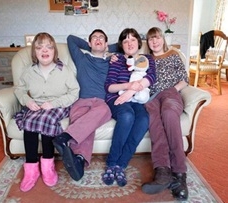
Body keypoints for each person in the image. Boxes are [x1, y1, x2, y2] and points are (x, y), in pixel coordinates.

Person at [14, 32, 80, 192]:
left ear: (54, 51)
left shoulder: (63, 70)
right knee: (29, 122)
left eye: (49, 47)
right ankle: (31, 169)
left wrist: (53, 103)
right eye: (39, 47)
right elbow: (19, 89)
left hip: (58, 105)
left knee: (45, 121)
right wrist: (27, 101)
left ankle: (48, 165)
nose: (44, 50)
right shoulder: (29, 71)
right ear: (35, 52)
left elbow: (74, 92)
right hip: (36, 105)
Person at [52, 29, 118, 181]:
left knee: (105, 111)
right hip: (81, 101)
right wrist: (92, 47)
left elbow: (123, 45)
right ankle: (79, 161)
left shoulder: (112, 61)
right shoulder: (81, 58)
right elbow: (70, 37)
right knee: (85, 124)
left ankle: (65, 137)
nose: (98, 39)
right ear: (88, 43)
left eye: (101, 38)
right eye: (94, 38)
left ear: (107, 43)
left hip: (102, 103)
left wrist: (107, 49)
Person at [102, 28, 156, 187]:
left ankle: (121, 164)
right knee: (127, 116)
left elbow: (151, 77)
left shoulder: (147, 59)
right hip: (116, 98)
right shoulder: (117, 59)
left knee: (144, 119)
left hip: (137, 99)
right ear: (121, 45)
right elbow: (109, 87)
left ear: (139, 42)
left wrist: (131, 91)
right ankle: (112, 163)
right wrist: (128, 86)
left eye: (133, 39)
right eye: (125, 41)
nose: (129, 43)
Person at [141, 27, 189, 200]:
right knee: (153, 118)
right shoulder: (145, 60)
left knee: (169, 113)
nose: (154, 41)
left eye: (157, 38)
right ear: (147, 42)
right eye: (151, 39)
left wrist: (172, 90)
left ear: (163, 39)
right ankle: (162, 171)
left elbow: (185, 79)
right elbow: (126, 57)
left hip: (170, 94)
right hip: (151, 97)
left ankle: (179, 173)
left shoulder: (173, 55)